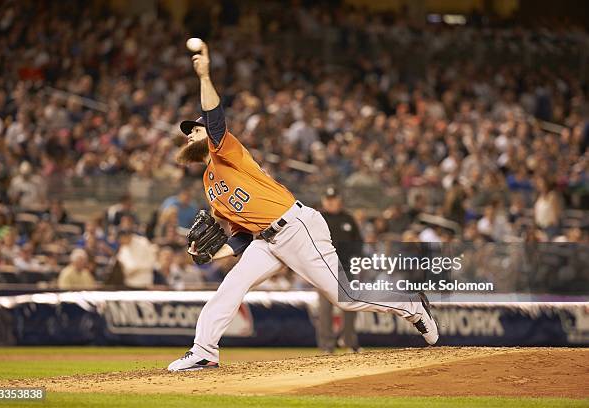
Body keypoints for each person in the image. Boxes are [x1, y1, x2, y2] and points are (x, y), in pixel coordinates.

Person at [167, 41, 438, 372]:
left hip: (296, 227)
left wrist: (204, 76)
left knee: (346, 299)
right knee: (231, 287)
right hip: (265, 241)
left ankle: (409, 303)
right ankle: (204, 351)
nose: (189, 135)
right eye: (188, 132)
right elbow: (239, 236)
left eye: (194, 130)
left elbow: (215, 117)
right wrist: (209, 255)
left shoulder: (225, 151)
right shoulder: (209, 184)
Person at [316, 186, 363, 354]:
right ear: (323, 201)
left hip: (347, 269)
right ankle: (327, 346)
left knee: (350, 306)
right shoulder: (318, 218)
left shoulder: (348, 219)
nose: (330, 202)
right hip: (324, 269)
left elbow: (358, 244)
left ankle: (349, 341)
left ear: (339, 200)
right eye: (328, 199)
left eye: (333, 199)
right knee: (325, 309)